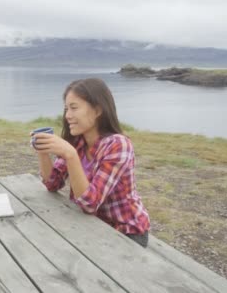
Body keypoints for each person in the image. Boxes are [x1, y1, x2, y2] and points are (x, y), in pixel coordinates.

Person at [33, 78, 150, 247]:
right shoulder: (78, 142)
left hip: (126, 233)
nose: (67, 116)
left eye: (74, 108)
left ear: (97, 110)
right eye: (66, 109)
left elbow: (89, 203)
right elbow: (52, 184)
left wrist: (70, 156)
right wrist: (43, 152)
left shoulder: (118, 145)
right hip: (91, 225)